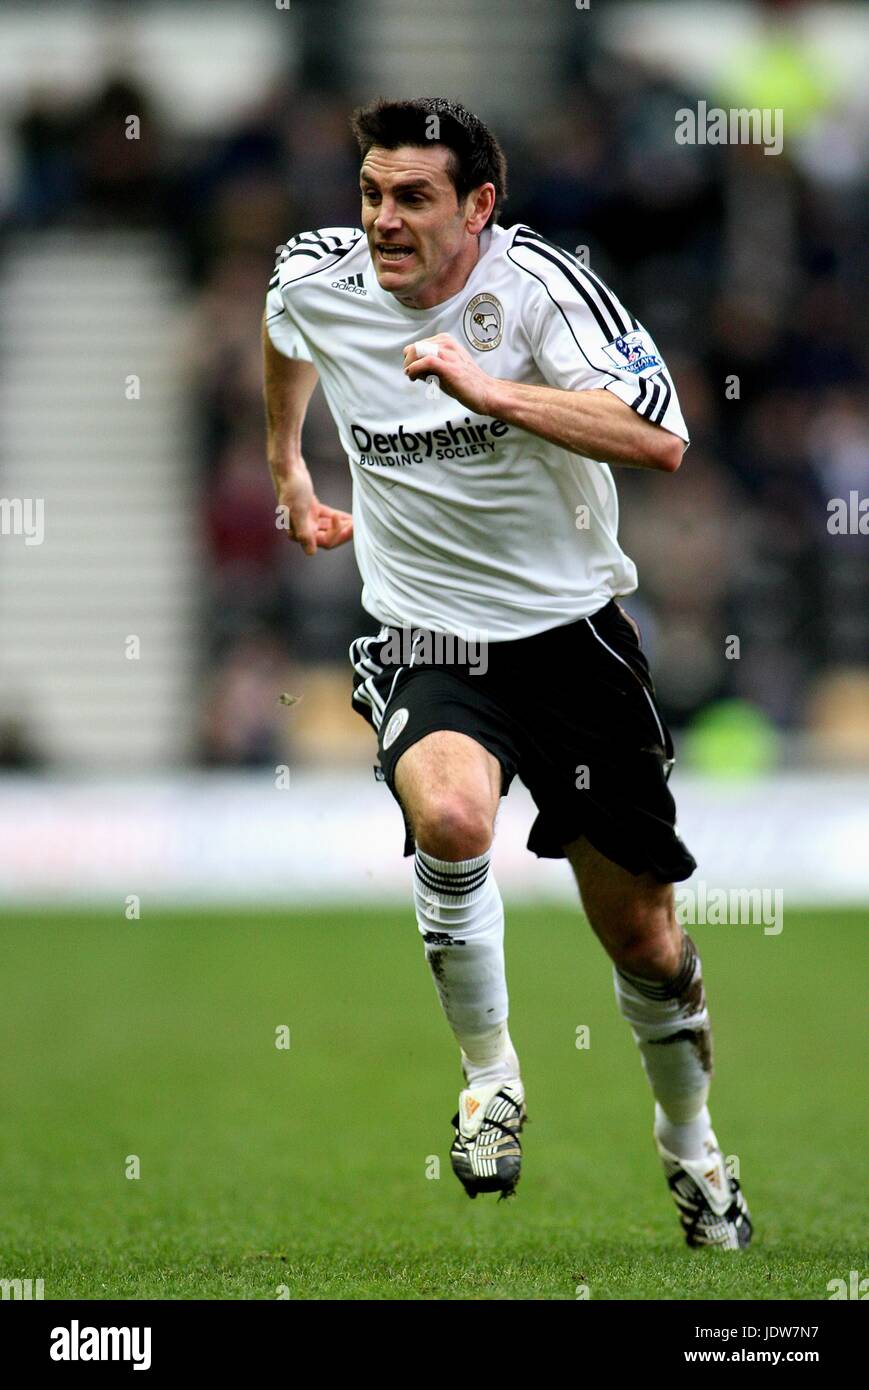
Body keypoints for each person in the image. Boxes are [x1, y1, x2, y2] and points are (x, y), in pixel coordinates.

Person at [262, 97, 751, 1248]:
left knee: (645, 943)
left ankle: (690, 1146)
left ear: (477, 205)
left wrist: (492, 393)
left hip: (569, 638)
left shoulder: (539, 291)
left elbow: (660, 435)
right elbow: (284, 334)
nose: (383, 219)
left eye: (413, 197)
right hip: (426, 633)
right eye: (371, 193)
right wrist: (288, 465)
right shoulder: (316, 275)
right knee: (448, 816)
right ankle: (490, 1077)